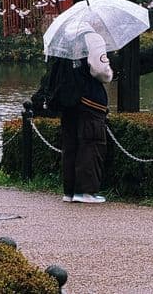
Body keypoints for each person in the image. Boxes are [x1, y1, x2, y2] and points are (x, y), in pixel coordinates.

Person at [60, 28, 113, 204]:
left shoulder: (65, 37)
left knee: (71, 145)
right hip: (90, 99)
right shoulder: (93, 37)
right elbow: (100, 70)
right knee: (91, 143)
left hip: (68, 97)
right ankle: (86, 192)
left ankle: (70, 191)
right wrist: (109, 73)